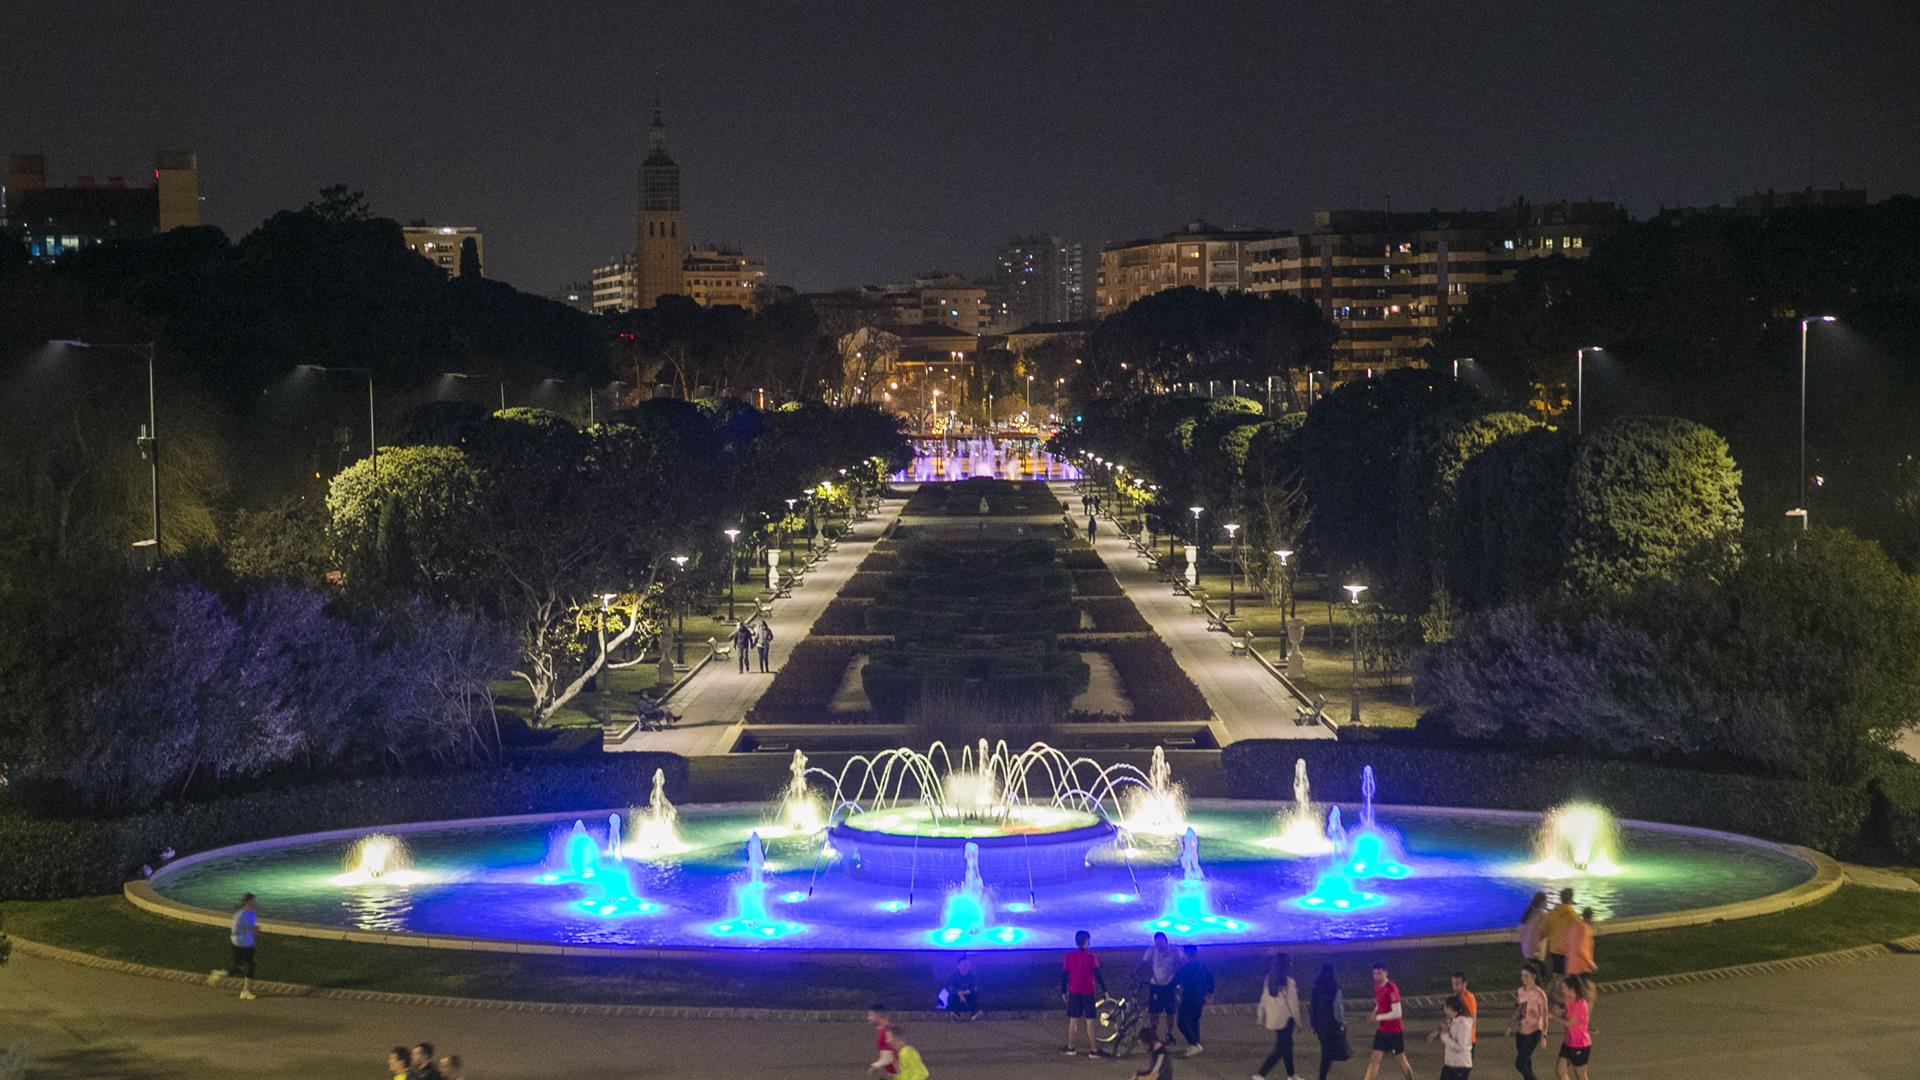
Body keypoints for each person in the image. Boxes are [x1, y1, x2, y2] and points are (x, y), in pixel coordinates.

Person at [1254, 950, 1303, 1080]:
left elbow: (1264, 999)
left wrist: (1260, 1016)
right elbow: (1293, 1004)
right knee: (1281, 1049)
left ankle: (1291, 1075)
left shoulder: (1269, 979)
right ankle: (1261, 1074)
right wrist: (1298, 1022)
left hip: (1275, 1019)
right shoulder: (1289, 982)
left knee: (1287, 1046)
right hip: (1287, 1019)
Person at [1360, 962, 1413, 1080]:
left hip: (1394, 1031)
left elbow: (1397, 1013)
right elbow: (1380, 1004)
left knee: (1402, 1061)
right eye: (1374, 973)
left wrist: (1378, 1018)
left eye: (1379, 973)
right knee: (1374, 1060)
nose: (1376, 976)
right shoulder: (1376, 987)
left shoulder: (1392, 989)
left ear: (1385, 973)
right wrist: (1375, 1011)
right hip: (1382, 1030)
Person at [1060, 929, 1107, 1056]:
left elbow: (1064, 975)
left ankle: (1071, 1047)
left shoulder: (1069, 956)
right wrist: (1105, 990)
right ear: (1086, 942)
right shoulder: (1091, 957)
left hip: (1074, 991)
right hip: (1088, 991)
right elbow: (1098, 975)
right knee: (1090, 1021)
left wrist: (1063, 991)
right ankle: (1094, 1049)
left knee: (1073, 1020)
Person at [207, 892, 257, 1000]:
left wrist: (253, 930)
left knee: (251, 966)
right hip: (239, 944)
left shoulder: (252, 912)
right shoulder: (239, 916)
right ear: (247, 902)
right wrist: (248, 929)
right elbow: (235, 931)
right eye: (253, 901)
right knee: (237, 969)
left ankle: (246, 991)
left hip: (249, 943)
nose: (254, 903)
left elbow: (252, 925)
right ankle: (219, 974)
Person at [1505, 961, 1549, 1080]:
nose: (1523, 978)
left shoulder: (1540, 994)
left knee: (1519, 1064)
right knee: (1526, 1064)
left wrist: (1543, 1036)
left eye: (1526, 976)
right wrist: (1511, 1025)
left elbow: (1544, 1016)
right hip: (1521, 1032)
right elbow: (1520, 1009)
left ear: (1533, 977)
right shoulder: (1520, 991)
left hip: (1534, 1032)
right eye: (1522, 975)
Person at [1309, 963, 1352, 1080]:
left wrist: (1313, 1024)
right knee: (1327, 1053)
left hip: (1320, 1025)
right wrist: (1342, 1024)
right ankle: (1322, 1076)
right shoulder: (1335, 989)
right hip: (1332, 1025)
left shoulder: (1315, 988)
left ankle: (1323, 1076)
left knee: (1326, 1051)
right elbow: (1338, 1010)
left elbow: (1312, 1007)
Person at [1139, 930, 1182, 1042]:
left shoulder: (1174, 950)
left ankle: (1169, 1033)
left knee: (1170, 1011)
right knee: (1154, 1010)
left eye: (1161, 943)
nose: (1159, 946)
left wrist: (1177, 975)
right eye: (1157, 944)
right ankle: (1154, 1032)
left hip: (1169, 984)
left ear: (1166, 941)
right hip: (1155, 984)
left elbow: (1182, 960)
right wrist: (1136, 973)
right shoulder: (1152, 950)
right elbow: (1144, 963)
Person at [1171, 943, 1214, 1057]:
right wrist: (1210, 992)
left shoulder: (1185, 968)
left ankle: (1194, 1044)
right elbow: (1210, 979)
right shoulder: (1201, 965)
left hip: (1189, 997)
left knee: (1182, 1023)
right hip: (1200, 997)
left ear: (1185, 954)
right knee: (1194, 1020)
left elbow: (1174, 982)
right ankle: (1196, 1042)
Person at [1553, 975, 1593, 1080]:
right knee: (1560, 1071)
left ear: (1571, 989)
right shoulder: (1568, 999)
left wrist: (1553, 1016)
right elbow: (1566, 1016)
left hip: (1580, 1044)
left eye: (1564, 987)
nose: (1562, 990)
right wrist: (1560, 1012)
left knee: (1581, 1075)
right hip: (1568, 1041)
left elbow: (1569, 1023)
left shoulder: (1581, 1004)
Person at [1428, 995, 1473, 1080]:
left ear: (1450, 1008)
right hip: (1450, 1063)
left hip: (1460, 1065)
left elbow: (1460, 1047)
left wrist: (1444, 1037)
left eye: (1445, 1007)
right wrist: (1437, 1033)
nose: (1444, 1009)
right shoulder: (1452, 1019)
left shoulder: (1463, 1024)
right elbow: (1445, 1026)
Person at [1541, 889, 1581, 976]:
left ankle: (1556, 987)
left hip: (1555, 949)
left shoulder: (1552, 914)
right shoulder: (1574, 916)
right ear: (1571, 899)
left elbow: (1544, 930)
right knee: (1568, 975)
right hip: (1568, 950)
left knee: (1557, 972)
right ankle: (1565, 988)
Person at [1517, 892, 1549, 962]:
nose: (1547, 902)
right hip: (1535, 951)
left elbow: (1520, 932)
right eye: (1546, 900)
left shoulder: (1527, 914)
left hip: (1525, 949)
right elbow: (1543, 933)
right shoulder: (1542, 915)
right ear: (1542, 903)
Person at [1564, 909, 1597, 977]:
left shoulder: (1575, 926)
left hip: (1571, 964)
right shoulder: (1586, 929)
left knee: (1575, 985)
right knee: (1587, 985)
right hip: (1582, 965)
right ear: (1590, 918)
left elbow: (1567, 940)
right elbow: (1581, 948)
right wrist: (1591, 963)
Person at [945, 954, 979, 1019]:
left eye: (966, 965)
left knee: (975, 996)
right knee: (951, 997)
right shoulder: (953, 976)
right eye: (962, 965)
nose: (964, 967)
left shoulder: (973, 976)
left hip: (969, 995)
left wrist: (965, 992)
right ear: (958, 966)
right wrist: (959, 993)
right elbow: (949, 986)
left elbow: (975, 987)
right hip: (956, 995)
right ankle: (955, 1015)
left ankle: (973, 1015)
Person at [867, 1004, 898, 1076]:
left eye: (870, 1015)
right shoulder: (884, 1029)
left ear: (878, 1016)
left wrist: (875, 1066)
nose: (868, 1018)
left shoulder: (885, 1031)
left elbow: (889, 1058)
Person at [1449, 971, 1477, 1046]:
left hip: (1467, 1039)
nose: (1455, 987)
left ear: (1465, 984)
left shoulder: (1469, 997)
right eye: (1453, 984)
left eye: (1457, 984)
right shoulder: (1453, 997)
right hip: (1455, 1039)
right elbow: (1450, 1017)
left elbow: (1472, 1020)